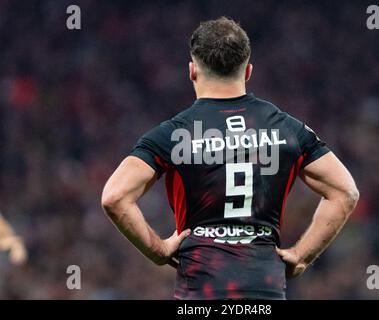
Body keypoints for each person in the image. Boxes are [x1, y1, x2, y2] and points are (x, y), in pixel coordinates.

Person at [101, 17, 359, 299]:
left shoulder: (174, 134)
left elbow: (114, 197)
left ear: (192, 71)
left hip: (202, 289)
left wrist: (159, 251)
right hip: (265, 287)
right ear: (248, 71)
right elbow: (345, 192)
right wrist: (301, 255)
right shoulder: (288, 129)